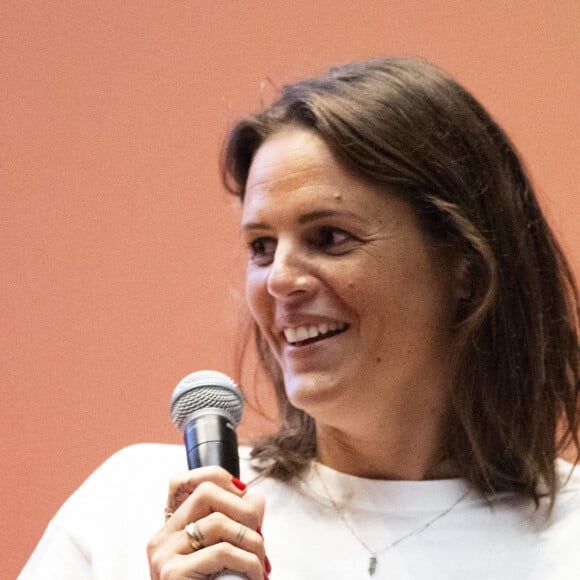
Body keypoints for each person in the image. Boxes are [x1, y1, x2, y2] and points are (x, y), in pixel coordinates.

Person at [20, 56, 580, 580]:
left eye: (330, 238)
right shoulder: (135, 507)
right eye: (261, 246)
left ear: (464, 265)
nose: (279, 280)